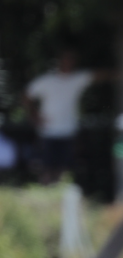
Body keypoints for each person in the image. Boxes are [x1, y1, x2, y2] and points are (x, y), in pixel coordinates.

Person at [24, 50, 113, 183]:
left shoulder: (77, 79)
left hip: (68, 131)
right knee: (46, 167)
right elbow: (26, 96)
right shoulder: (47, 81)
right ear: (59, 62)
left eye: (71, 60)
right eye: (65, 59)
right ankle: (44, 196)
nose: (68, 62)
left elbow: (98, 75)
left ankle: (59, 197)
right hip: (48, 131)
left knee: (65, 169)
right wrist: (34, 116)